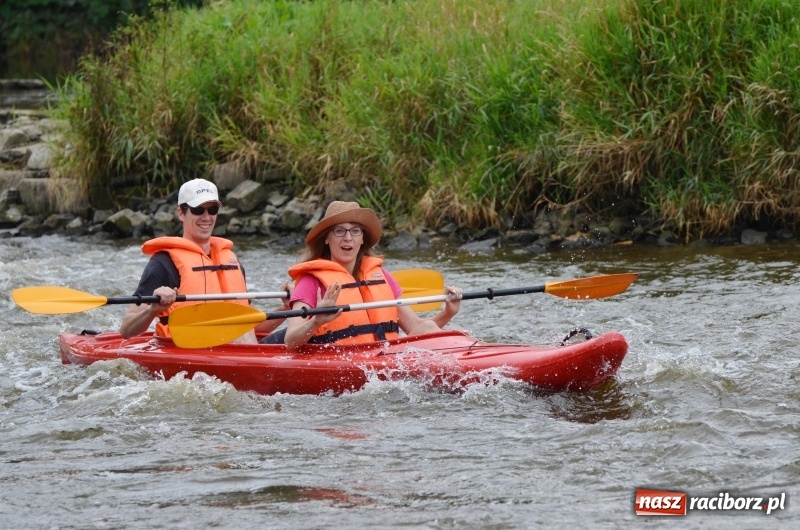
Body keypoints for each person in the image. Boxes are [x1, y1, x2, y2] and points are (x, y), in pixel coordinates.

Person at [119, 178, 289, 344]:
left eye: (212, 210)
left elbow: (250, 329)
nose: (206, 217)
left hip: (237, 350)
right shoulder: (164, 263)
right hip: (188, 349)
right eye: (198, 210)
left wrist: (286, 308)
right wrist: (152, 309)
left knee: (302, 336)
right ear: (181, 213)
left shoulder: (231, 261)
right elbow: (126, 330)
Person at [284, 201, 462, 349]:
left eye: (355, 231)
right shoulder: (311, 281)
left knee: (428, 326)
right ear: (326, 238)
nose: (348, 238)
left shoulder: (381, 276)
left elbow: (416, 327)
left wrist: (448, 312)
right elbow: (290, 341)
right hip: (342, 363)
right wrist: (316, 321)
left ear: (362, 239)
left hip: (384, 360)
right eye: (339, 231)